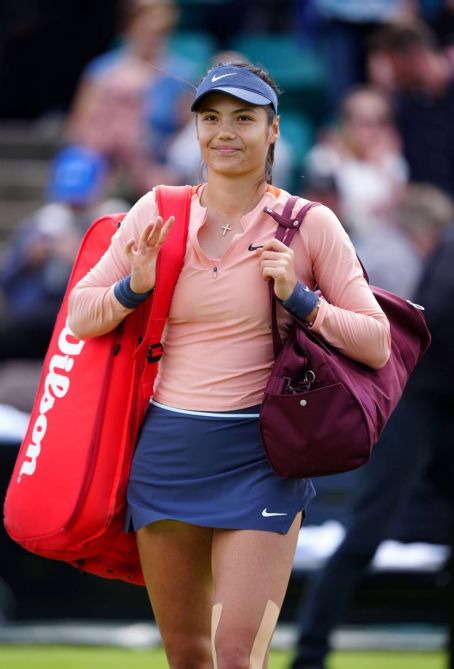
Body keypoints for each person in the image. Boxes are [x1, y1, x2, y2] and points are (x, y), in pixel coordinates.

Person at [67, 62, 391, 669]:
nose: (225, 132)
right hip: (167, 451)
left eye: (244, 118)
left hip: (263, 456)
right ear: (194, 130)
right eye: (211, 118)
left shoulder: (309, 223)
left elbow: (376, 342)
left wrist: (301, 298)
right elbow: (81, 317)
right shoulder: (157, 210)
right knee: (188, 657)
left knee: (239, 656)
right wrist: (133, 289)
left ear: (273, 131)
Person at [289, 182, 454, 669]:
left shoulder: (441, 248)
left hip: (424, 404)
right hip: (423, 405)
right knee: (364, 534)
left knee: (364, 533)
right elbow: (437, 317)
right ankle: (310, 654)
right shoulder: (445, 249)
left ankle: (310, 653)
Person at [367, 19, 454, 199]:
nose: (393, 76)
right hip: (428, 214)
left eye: (394, 66)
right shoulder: (407, 108)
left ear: (415, 55)